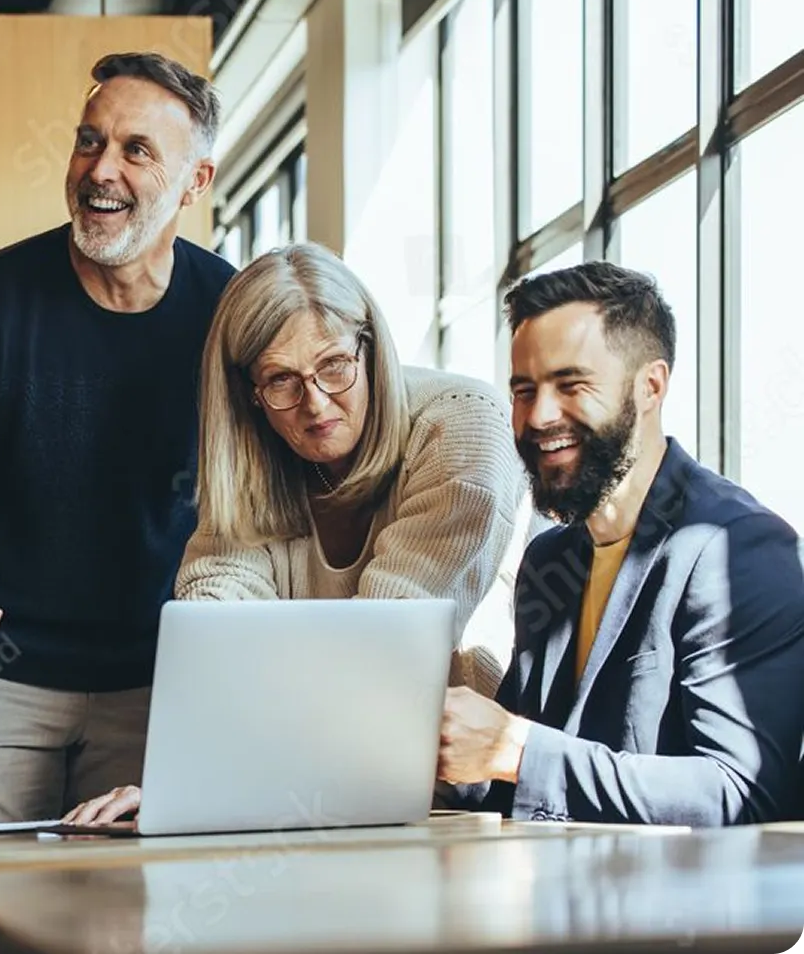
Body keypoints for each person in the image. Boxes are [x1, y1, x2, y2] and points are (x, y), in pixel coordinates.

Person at [0, 49, 234, 833]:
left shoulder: (231, 314)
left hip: (161, 682)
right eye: (88, 140)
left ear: (196, 182)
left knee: (124, 929)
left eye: (137, 151)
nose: (100, 170)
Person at [58, 241, 530, 826]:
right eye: (281, 380)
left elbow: (381, 658)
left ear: (371, 347)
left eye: (334, 365)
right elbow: (219, 638)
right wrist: (183, 787)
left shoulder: (463, 428)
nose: (316, 404)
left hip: (461, 793)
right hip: (307, 787)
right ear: (249, 396)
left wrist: (216, 783)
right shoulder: (252, 463)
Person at [438, 262, 804, 826]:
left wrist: (514, 749)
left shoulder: (736, 549)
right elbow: (512, 775)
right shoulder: (550, 559)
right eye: (524, 390)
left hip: (691, 911)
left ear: (650, 386)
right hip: (558, 894)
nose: (539, 416)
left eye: (571, 385)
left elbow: (739, 791)